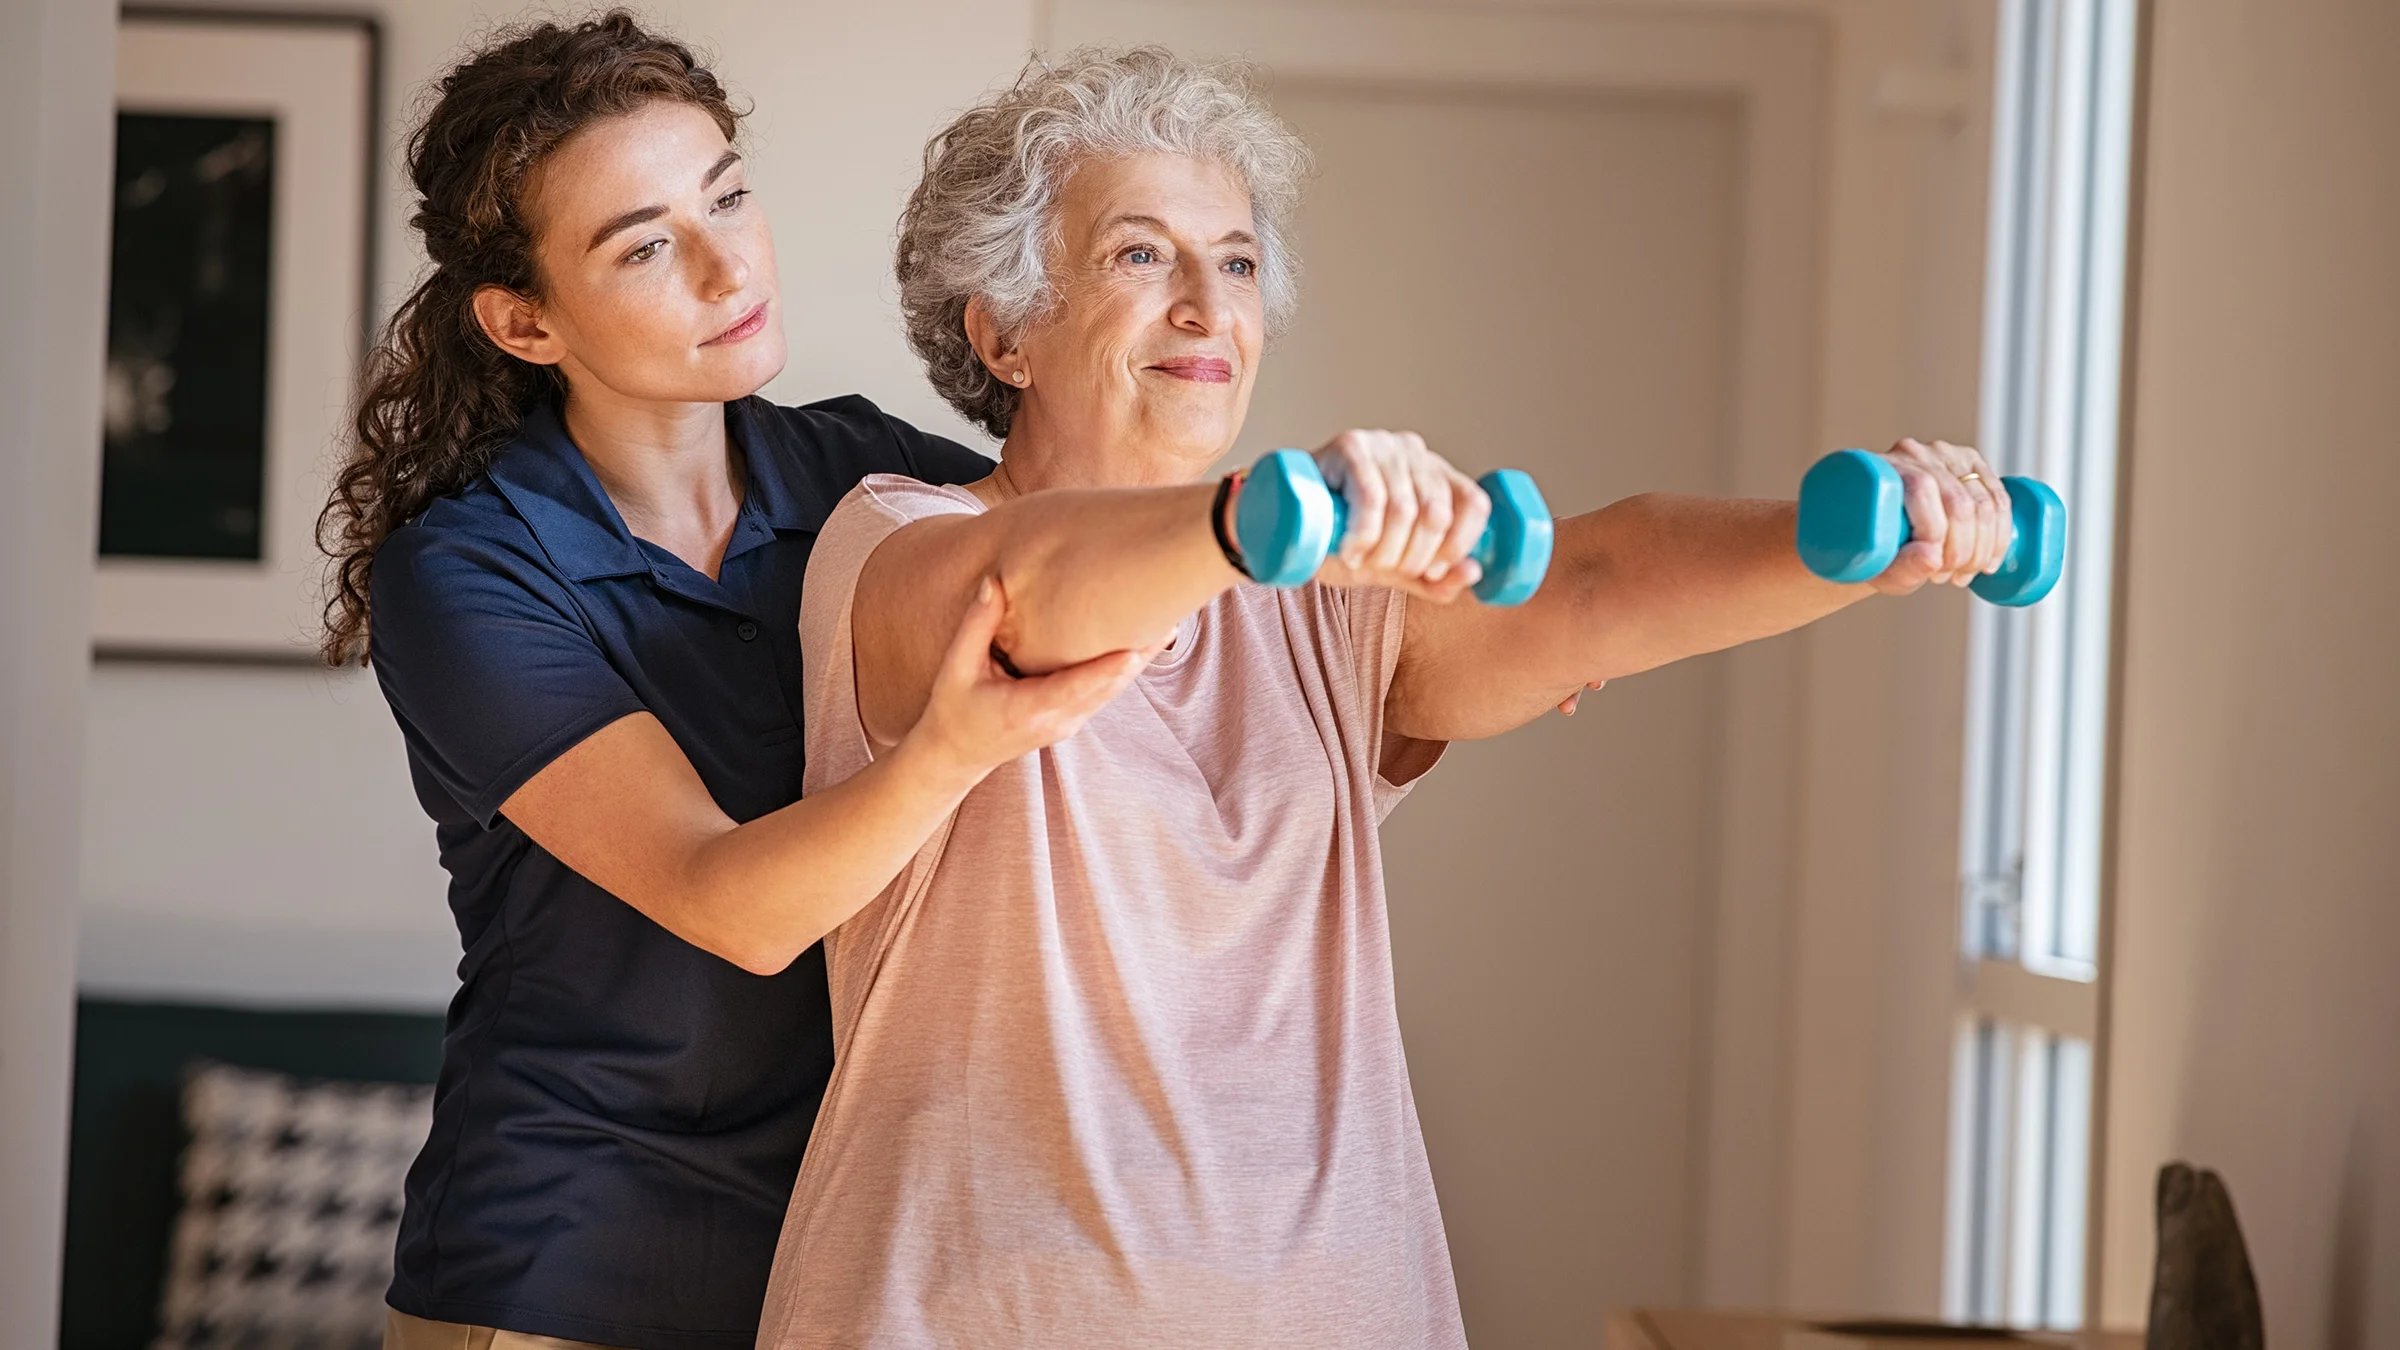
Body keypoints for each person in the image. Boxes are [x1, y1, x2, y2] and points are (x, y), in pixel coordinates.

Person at [755, 48, 2015, 1348]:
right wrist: (1268, 521)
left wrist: (1858, 541)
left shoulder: (1322, 601)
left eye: (1236, 262)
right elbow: (1024, 598)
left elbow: (1590, 580)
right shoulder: (895, 541)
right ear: (1000, 328)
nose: (1205, 305)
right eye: (1142, 256)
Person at [321, 15, 1160, 1349]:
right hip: (569, 1267)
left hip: (839, 1255)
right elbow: (735, 903)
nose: (728, 265)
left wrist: (1378, 674)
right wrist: (949, 747)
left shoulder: (863, 480)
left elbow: (1088, 552)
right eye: (647, 245)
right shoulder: (470, 572)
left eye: (728, 196)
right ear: (522, 319)